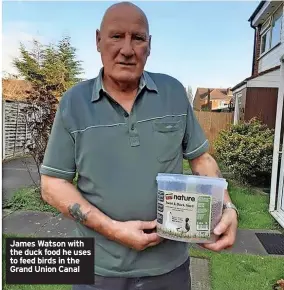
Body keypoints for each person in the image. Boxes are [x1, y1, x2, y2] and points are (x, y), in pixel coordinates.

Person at [40, 2, 238, 289]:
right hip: (97, 268)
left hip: (168, 267)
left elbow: (201, 159)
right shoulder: (74, 103)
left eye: (138, 38)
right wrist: (114, 230)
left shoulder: (172, 92)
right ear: (98, 41)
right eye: (116, 36)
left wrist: (228, 207)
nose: (127, 49)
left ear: (149, 44)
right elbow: (52, 183)